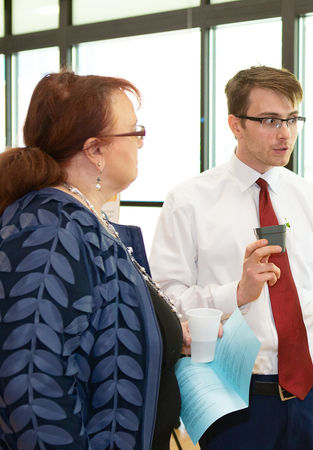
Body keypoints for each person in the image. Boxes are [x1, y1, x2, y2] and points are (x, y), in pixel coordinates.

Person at [150, 65, 313, 449]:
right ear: (235, 125)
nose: (285, 132)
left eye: (292, 119)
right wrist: (237, 292)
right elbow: (167, 300)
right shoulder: (189, 201)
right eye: (270, 120)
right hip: (235, 397)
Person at [0, 71, 184, 450]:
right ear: (95, 150)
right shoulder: (51, 230)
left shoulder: (80, 219)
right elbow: (31, 383)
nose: (140, 144)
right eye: (134, 133)